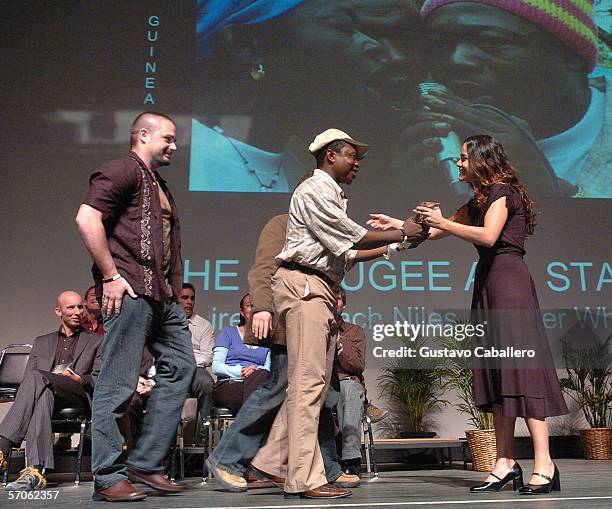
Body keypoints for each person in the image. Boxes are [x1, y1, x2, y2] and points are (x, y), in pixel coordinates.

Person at [369, 134, 569, 494]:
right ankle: (505, 461)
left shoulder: (502, 191)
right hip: (489, 284)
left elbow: (490, 236)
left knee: (521, 370)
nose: (458, 163)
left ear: (482, 159)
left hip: (509, 284)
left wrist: (443, 223)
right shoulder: (479, 199)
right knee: (497, 372)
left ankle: (545, 463)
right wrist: (399, 225)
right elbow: (435, 232)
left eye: (462, 157)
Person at [249, 128, 428, 499]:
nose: (357, 163)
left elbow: (346, 253)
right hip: (305, 288)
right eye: (352, 156)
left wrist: (398, 243)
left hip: (319, 289)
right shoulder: (315, 189)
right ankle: (304, 478)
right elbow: (353, 238)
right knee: (309, 384)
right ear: (331, 155)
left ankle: (270, 461)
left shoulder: (332, 193)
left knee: (309, 382)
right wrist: (400, 230)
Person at [206, 210, 381, 492]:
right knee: (278, 387)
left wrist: (395, 244)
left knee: (323, 393)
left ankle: (328, 467)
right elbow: (264, 267)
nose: (339, 203)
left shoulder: (323, 228)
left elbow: (346, 256)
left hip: (318, 321)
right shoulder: (284, 224)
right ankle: (228, 459)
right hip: (290, 320)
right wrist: (261, 306)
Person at [76, 111, 196, 502]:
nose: (174, 146)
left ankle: (144, 462)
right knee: (119, 382)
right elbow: (87, 217)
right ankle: (108, 477)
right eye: (168, 139)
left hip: (161, 295)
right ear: (143, 135)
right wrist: (110, 276)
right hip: (130, 292)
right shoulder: (122, 170)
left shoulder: (156, 181)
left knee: (182, 365)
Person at [190, 0, 427, 192]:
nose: (372, 44)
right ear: (246, 45)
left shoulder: (296, 168)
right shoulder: (192, 164)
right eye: (343, 27)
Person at [396, 0, 609, 198]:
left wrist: (546, 193)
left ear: (571, 55)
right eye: (439, 46)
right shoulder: (428, 142)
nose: (456, 60)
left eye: (492, 42)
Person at [0, 291, 101, 491]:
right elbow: (29, 379)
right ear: (58, 311)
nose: (77, 312)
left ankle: (2, 446)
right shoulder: (42, 341)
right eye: (70, 307)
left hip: (76, 394)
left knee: (38, 377)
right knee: (42, 393)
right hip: (48, 392)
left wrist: (79, 378)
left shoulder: (95, 340)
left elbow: (99, 378)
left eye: (80, 307)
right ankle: (35, 472)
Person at [212, 294, 271, 415]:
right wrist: (241, 371)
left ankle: (243, 429)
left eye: (257, 306)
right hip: (231, 383)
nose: (254, 309)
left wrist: (254, 372)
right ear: (242, 312)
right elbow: (216, 366)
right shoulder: (228, 332)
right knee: (249, 397)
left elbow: (268, 368)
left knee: (262, 378)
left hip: (258, 384)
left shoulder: (268, 339)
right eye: (250, 306)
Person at [335, 288, 367, 478]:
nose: (333, 302)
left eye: (337, 299)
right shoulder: (312, 331)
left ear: (343, 305)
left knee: (347, 388)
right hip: (319, 384)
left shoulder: (354, 331)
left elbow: (357, 366)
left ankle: (350, 459)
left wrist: (340, 347)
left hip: (346, 381)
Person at [177, 283, 215, 423]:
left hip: (195, 369)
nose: (189, 302)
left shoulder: (204, 325)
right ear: (176, 300)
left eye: (192, 298)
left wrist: (186, 361)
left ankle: (202, 429)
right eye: (185, 298)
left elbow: (207, 356)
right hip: (170, 367)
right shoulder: (164, 322)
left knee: (206, 383)